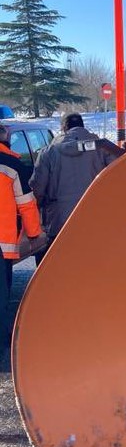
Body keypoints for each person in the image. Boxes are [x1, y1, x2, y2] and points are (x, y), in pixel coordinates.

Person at [29, 113, 124, 250]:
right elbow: (121, 175)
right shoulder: (103, 148)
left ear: (63, 128)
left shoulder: (48, 153)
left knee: (62, 258)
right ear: (83, 126)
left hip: (59, 219)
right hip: (98, 216)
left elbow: (38, 186)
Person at [0, 122, 43, 351]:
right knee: (1, 296)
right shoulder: (11, 165)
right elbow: (26, 204)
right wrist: (35, 233)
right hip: (1, 243)